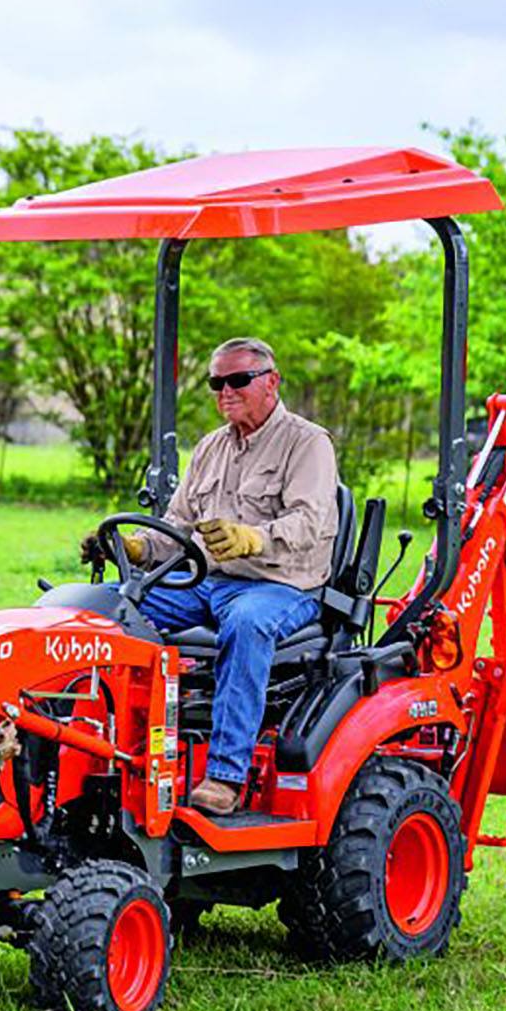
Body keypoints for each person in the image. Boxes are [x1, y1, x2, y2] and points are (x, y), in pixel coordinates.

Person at [85, 337, 338, 816]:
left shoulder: (307, 443)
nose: (226, 391)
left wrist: (253, 538)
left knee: (245, 623)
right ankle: (100, 747)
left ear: (271, 382)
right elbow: (177, 528)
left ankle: (224, 775)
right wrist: (138, 548)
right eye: (216, 382)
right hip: (207, 582)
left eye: (238, 380)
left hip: (283, 587)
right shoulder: (210, 448)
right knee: (113, 607)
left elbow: (310, 522)